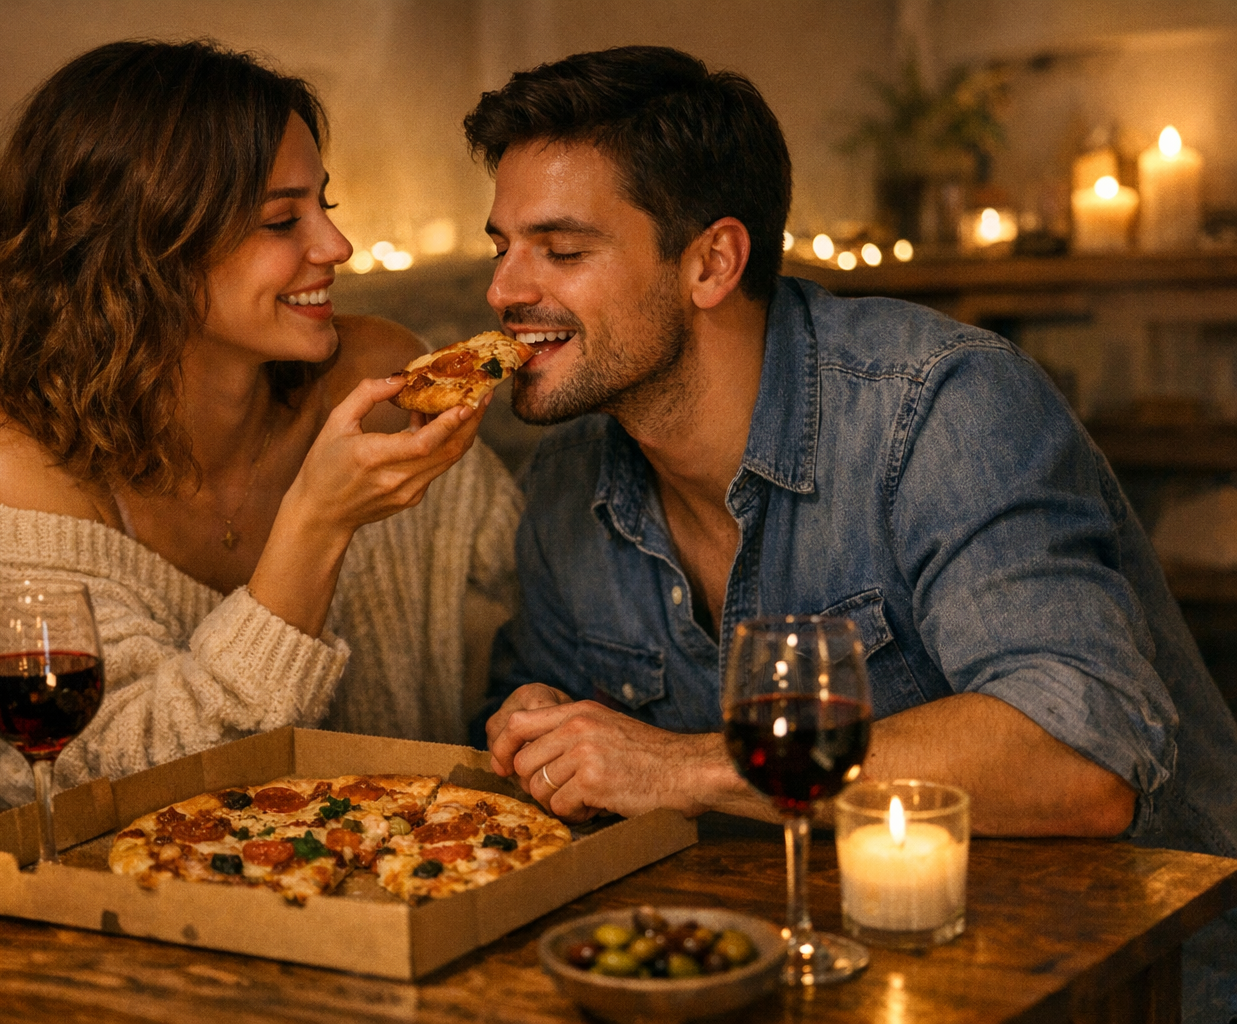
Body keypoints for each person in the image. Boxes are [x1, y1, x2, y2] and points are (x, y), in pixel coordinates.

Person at [467, 46, 1237, 1021]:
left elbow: (1083, 754)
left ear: (712, 262)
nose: (503, 289)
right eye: (501, 245)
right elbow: (527, 756)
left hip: (1125, 987)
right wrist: (530, 729)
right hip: (786, 981)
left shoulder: (939, 404)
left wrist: (689, 765)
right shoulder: (572, 476)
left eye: (561, 251)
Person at [0, 40, 520, 808]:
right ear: (142, 250)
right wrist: (317, 524)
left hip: (415, 869)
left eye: (323, 205)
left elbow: (537, 584)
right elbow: (87, 787)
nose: (336, 246)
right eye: (281, 221)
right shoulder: (7, 475)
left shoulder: (381, 378)